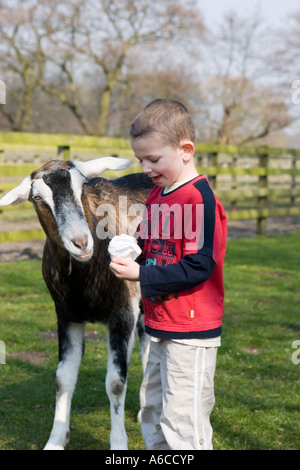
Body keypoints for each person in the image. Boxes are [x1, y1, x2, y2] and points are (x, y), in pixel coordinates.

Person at [109, 98, 227, 450]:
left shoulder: (198, 200)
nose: (145, 167)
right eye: (140, 159)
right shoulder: (160, 194)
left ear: (185, 150)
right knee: (153, 408)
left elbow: (198, 266)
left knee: (183, 418)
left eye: (153, 159)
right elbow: (151, 243)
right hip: (159, 323)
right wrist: (132, 248)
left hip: (191, 330)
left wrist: (140, 275)